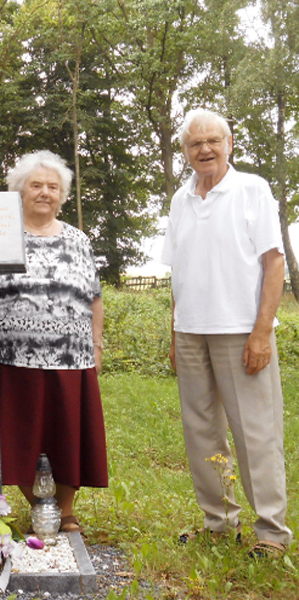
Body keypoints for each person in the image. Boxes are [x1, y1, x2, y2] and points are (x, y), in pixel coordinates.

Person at [163, 108, 292, 558]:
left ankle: (271, 533)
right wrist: (175, 330)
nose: (204, 150)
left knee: (255, 432)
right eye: (195, 144)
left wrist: (261, 332)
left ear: (229, 144)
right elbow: (178, 271)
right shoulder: (181, 200)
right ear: (185, 152)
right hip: (191, 332)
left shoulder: (251, 189)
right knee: (202, 433)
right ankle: (218, 524)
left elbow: (274, 263)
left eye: (212, 141)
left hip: (241, 331)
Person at [0, 150, 108, 533]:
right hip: (12, 355)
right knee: (20, 437)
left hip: (70, 356)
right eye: (36, 185)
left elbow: (94, 296)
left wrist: (96, 345)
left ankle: (66, 508)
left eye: (53, 187)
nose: (45, 193)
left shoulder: (78, 240)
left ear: (63, 195)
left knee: (68, 434)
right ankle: (40, 504)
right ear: (19, 191)